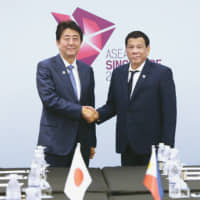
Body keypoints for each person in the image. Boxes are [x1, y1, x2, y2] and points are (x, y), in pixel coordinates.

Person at [88, 31, 177, 166]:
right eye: (131, 47)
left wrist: (166, 149)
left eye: (139, 47)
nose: (135, 51)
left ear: (147, 49)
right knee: (128, 185)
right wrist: (96, 115)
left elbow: (170, 114)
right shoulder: (118, 73)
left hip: (152, 148)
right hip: (127, 145)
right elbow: (113, 105)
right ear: (126, 50)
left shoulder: (162, 73)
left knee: (151, 187)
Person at [36, 20, 96, 167]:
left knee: (81, 189)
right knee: (55, 188)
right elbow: (50, 100)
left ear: (81, 43)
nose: (71, 43)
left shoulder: (86, 70)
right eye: (66, 38)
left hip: (82, 144)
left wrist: (92, 142)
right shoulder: (46, 67)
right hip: (56, 143)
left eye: (75, 38)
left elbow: (90, 106)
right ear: (58, 42)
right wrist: (80, 110)